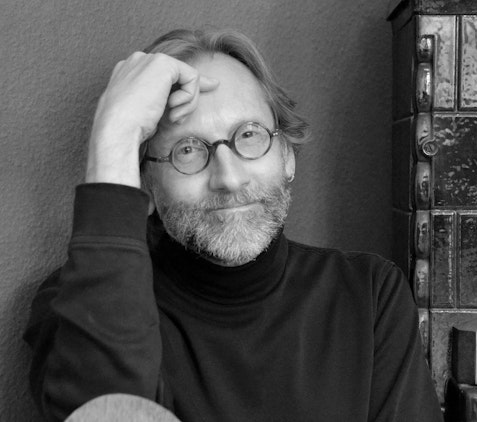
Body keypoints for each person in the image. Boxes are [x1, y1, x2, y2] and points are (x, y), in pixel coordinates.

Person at [24, 28, 443, 422]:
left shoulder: (369, 295)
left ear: (287, 156)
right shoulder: (77, 303)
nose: (229, 178)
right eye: (188, 149)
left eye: (249, 135)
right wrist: (114, 135)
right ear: (145, 183)